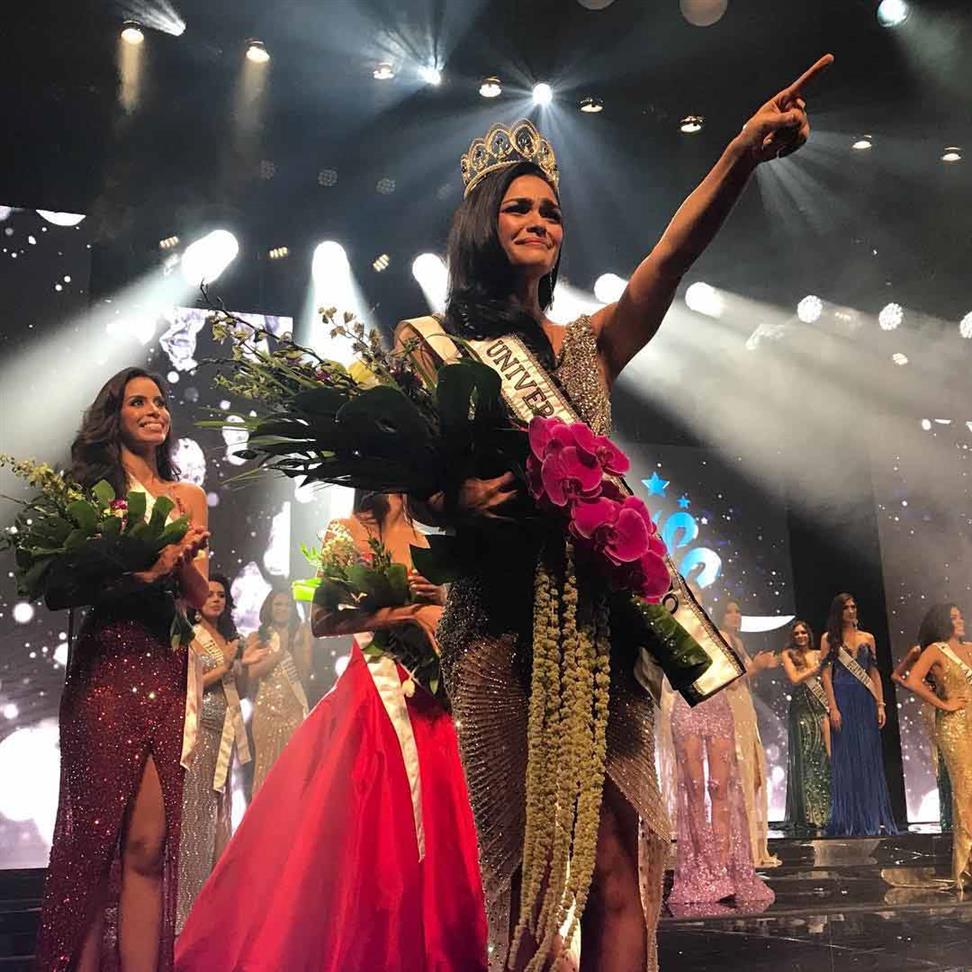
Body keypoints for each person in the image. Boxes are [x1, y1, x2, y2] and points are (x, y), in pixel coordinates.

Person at [397, 54, 832, 972]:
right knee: (523, 881)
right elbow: (410, 490)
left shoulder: (588, 347)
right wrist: (458, 501)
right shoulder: (429, 346)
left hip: (603, 636)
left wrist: (742, 155)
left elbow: (667, 259)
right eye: (518, 207)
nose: (539, 221)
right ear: (482, 221)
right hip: (501, 636)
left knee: (618, 873)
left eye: (551, 211)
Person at [175, 492, 488, 971]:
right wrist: (402, 614)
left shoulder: (429, 540)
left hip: (430, 705)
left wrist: (441, 604)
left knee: (443, 837)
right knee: (374, 837)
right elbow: (323, 620)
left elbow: (453, 629)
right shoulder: (348, 529)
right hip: (374, 702)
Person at [34, 367, 209, 972]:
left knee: (147, 844)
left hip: (165, 663)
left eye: (160, 401)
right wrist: (137, 572)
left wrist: (182, 559)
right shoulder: (88, 494)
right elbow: (58, 589)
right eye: (139, 401)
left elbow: (201, 596)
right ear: (116, 415)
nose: (154, 410)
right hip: (106, 665)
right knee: (89, 843)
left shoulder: (186, 497)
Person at [176, 573, 250, 932]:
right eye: (211, 594)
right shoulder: (190, 636)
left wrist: (242, 665)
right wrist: (225, 665)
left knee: (220, 816)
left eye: (222, 595)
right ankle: (185, 910)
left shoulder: (230, 638)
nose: (216, 599)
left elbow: (242, 688)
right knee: (196, 817)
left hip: (227, 733)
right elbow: (187, 684)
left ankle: (215, 907)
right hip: (200, 733)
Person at [668, 680, 775, 909]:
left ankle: (725, 868)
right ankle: (703, 868)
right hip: (686, 707)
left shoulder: (725, 641)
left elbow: (735, 682)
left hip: (717, 706)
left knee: (721, 789)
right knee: (694, 791)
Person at [901, 604, 971, 888]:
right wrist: (944, 704)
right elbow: (912, 681)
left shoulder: (969, 647)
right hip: (953, 725)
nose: (961, 620)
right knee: (966, 788)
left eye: (960, 615)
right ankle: (967, 865)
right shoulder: (935, 650)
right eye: (954, 618)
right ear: (943, 622)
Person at [821, 592, 898, 836]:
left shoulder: (868, 638)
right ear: (838, 611)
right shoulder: (829, 639)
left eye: (854, 606)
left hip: (865, 701)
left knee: (867, 757)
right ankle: (848, 818)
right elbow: (825, 674)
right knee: (846, 759)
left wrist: (880, 704)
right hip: (843, 699)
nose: (851, 611)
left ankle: (869, 817)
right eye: (846, 608)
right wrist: (832, 707)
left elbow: (874, 672)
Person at [720, 600, 782, 867]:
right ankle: (736, 847)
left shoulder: (737, 641)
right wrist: (755, 666)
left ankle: (749, 843)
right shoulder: (720, 639)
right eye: (729, 611)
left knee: (753, 775)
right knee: (739, 774)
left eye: (738, 610)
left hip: (745, 709)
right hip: (731, 708)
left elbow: (743, 677)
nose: (735, 615)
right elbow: (728, 679)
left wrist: (761, 665)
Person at [242, 588, 311, 793]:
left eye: (287, 605)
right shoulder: (257, 637)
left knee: (295, 769)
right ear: (269, 608)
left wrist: (298, 644)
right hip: (265, 712)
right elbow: (253, 672)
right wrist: (279, 652)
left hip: (294, 710)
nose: (283, 609)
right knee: (266, 769)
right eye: (278, 604)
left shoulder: (299, 634)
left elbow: (304, 673)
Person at [893, 642, 952, 831]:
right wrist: (921, 690)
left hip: (955, 706)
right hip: (933, 708)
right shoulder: (919, 651)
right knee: (942, 756)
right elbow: (896, 675)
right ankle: (949, 815)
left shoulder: (950, 648)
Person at [781, 620, 830, 833]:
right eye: (797, 633)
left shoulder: (819, 653)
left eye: (804, 632)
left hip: (820, 709)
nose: (801, 636)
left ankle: (826, 812)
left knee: (823, 758)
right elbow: (794, 678)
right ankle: (808, 814)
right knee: (805, 758)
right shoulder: (788, 655)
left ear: (809, 634)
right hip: (801, 710)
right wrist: (817, 669)